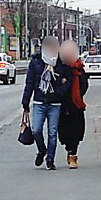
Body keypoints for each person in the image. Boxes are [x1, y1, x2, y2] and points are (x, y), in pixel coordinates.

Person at [21, 36, 72, 171]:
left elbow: (68, 80)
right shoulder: (36, 61)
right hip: (39, 101)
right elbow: (30, 82)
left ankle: (50, 159)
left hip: (55, 103)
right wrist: (25, 101)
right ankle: (42, 150)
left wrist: (59, 91)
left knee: (52, 132)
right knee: (36, 129)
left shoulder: (62, 62)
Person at [58, 40, 88, 169]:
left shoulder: (79, 67)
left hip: (76, 105)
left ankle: (73, 155)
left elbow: (84, 84)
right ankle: (69, 149)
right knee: (64, 132)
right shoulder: (59, 67)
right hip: (62, 104)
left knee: (76, 131)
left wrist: (78, 95)